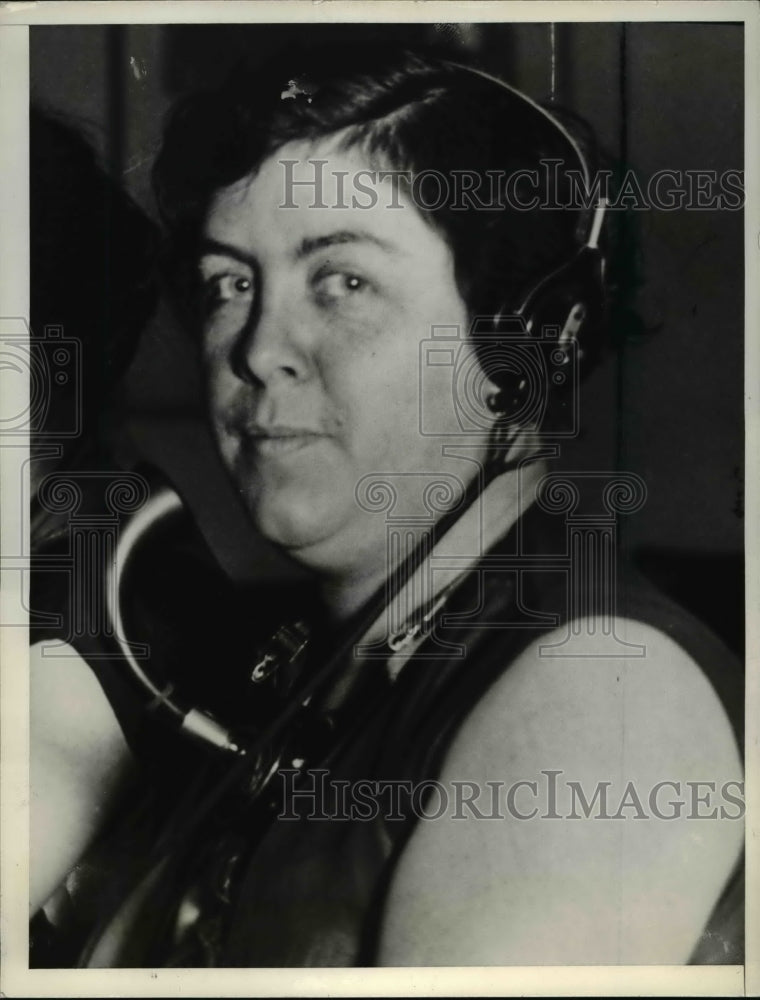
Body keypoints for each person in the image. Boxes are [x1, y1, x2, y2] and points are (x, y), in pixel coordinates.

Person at [31, 45, 744, 967]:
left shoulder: (605, 700)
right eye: (229, 285)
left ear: (533, 339)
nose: (258, 349)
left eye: (344, 283)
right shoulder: (323, 680)